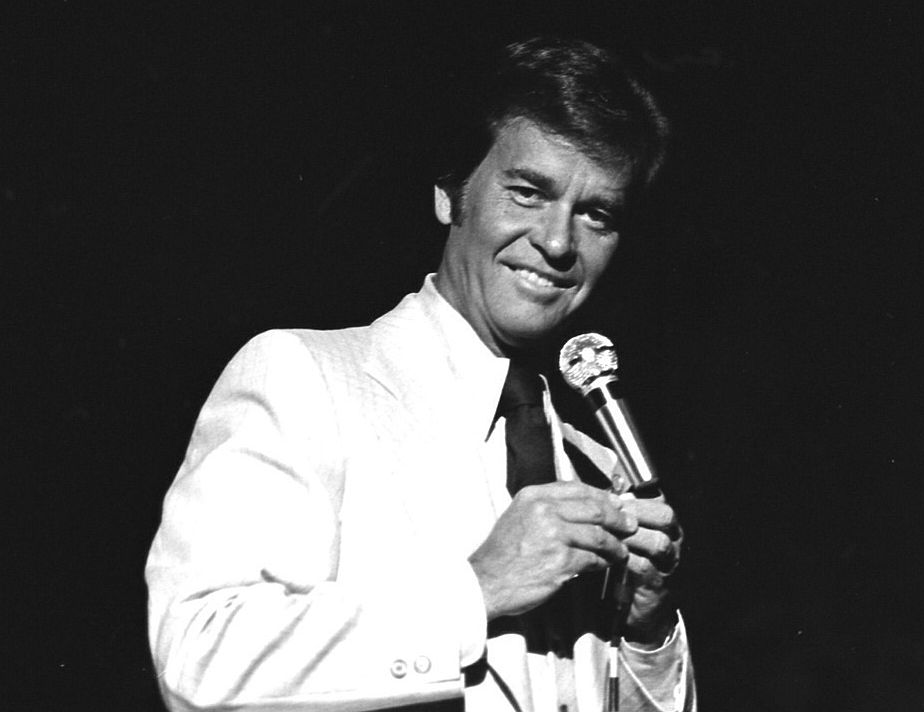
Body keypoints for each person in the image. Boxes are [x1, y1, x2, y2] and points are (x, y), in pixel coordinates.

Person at [146, 36, 695, 712]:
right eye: (528, 193)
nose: (558, 242)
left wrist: (646, 633)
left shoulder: (594, 465)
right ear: (449, 193)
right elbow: (200, 661)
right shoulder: (303, 378)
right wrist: (476, 589)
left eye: (595, 214)